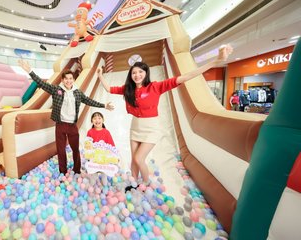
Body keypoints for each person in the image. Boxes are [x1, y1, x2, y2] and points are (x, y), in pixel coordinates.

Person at [97, 45, 233, 192]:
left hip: (151, 129)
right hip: (135, 127)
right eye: (134, 73)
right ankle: (133, 183)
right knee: (133, 159)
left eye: (140, 72)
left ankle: (146, 183)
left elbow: (185, 77)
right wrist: (99, 75)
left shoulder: (156, 87)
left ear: (146, 73)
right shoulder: (128, 89)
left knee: (139, 159)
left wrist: (215, 61)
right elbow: (109, 89)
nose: (137, 75)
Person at [18, 59, 114, 175]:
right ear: (63, 80)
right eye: (66, 79)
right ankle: (62, 171)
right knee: (61, 149)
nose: (68, 81)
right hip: (60, 125)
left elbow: (88, 101)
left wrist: (103, 105)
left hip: (72, 126)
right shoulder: (56, 90)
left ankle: (77, 170)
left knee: (75, 149)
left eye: (70, 79)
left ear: (73, 80)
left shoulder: (77, 93)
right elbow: (42, 84)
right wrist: (30, 71)